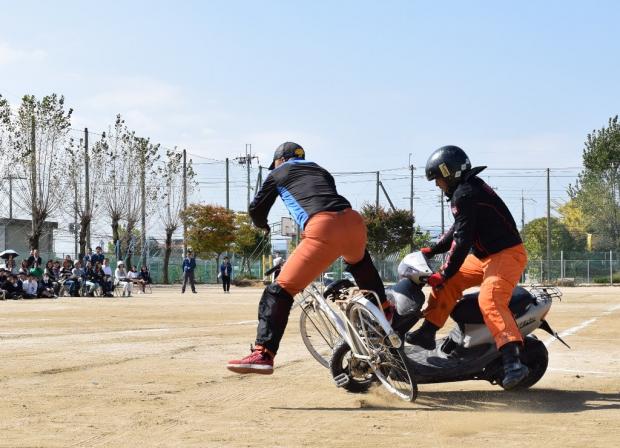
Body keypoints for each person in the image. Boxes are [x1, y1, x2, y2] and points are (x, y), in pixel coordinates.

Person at [227, 141, 389, 375]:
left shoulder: (278, 172)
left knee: (279, 290)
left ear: (280, 160)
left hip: (323, 228)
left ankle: (263, 353)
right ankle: (384, 312)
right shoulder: (320, 169)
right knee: (359, 262)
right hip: (353, 221)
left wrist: (262, 225)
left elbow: (257, 209)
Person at [405, 145, 529, 390]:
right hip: (484, 257)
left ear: (448, 173)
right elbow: (459, 228)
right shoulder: (467, 190)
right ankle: (429, 332)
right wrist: (433, 250)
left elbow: (462, 240)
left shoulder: (466, 193)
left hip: (506, 255)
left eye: (438, 179)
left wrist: (444, 271)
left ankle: (514, 362)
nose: (437, 185)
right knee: (448, 283)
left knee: (490, 300)